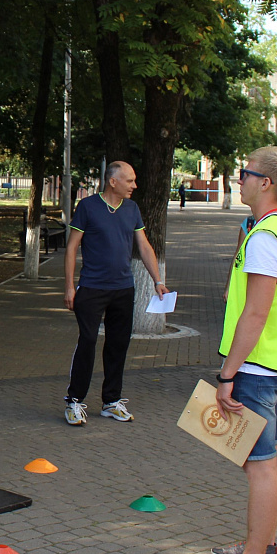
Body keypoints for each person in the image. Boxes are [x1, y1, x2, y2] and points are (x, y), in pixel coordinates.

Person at [197, 146, 277, 554]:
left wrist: (227, 374)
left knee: (258, 466)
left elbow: (255, 313)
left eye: (244, 173)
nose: (238, 179)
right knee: (274, 457)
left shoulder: (264, 238)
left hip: (257, 370)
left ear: (265, 183)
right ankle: (267, 546)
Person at [61, 161, 168, 426]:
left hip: (123, 289)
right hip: (92, 288)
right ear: (113, 181)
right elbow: (72, 247)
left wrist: (157, 279)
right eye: (130, 180)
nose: (134, 185)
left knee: (118, 345)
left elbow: (143, 246)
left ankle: (111, 401)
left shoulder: (131, 209)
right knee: (87, 342)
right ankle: (74, 402)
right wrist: (69, 286)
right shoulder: (87, 207)